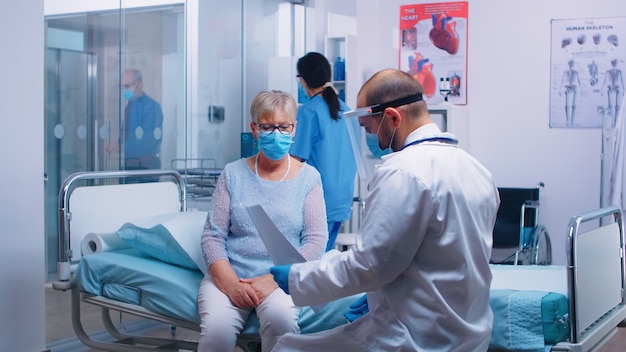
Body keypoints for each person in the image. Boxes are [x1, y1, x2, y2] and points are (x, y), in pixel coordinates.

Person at [270, 69, 500, 351]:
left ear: (392, 117)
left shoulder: (403, 172)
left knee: (285, 348)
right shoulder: (475, 169)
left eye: (368, 128)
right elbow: (441, 253)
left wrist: (297, 277)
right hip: (467, 336)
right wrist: (379, 293)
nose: (370, 138)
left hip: (414, 338)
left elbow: (370, 264)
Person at [198, 90, 328, 352]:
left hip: (282, 278)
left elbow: (316, 240)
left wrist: (274, 279)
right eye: (267, 127)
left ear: (294, 129)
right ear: (254, 129)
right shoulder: (232, 174)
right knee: (216, 335)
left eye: (284, 127)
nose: (276, 134)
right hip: (231, 275)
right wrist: (231, 284)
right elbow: (212, 237)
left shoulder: (309, 178)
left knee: (281, 323)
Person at [290, 52, 358, 251]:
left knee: (310, 259)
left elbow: (297, 158)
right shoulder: (347, 111)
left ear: (302, 80)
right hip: (342, 197)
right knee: (324, 255)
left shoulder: (309, 111)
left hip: (319, 198)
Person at [121, 68, 163, 180]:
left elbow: (147, 141)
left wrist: (119, 148)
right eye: (123, 86)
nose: (125, 90)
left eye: (127, 86)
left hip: (146, 167)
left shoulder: (152, 107)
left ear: (139, 84)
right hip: (128, 167)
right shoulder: (128, 107)